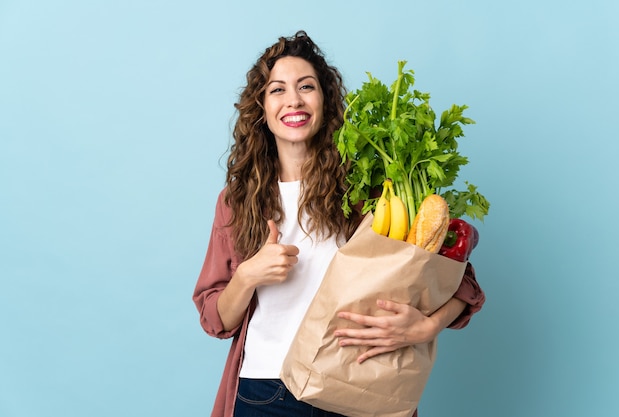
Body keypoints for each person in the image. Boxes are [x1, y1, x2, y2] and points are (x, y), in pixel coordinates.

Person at [193, 30, 485, 417]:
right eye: (277, 90)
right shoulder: (236, 201)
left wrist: (424, 329)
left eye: (306, 86)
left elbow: (461, 281)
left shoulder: (371, 191)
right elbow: (216, 319)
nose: (293, 99)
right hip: (266, 391)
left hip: (358, 384)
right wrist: (248, 275)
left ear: (325, 100)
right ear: (261, 109)